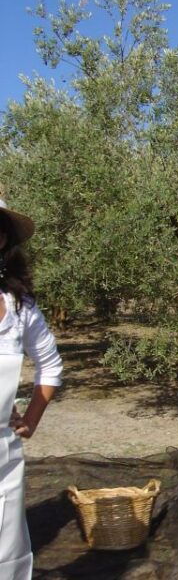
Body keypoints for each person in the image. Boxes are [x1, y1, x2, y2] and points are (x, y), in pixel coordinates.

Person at [0, 200, 63, 580]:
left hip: (3, 452)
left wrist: (31, 418)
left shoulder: (19, 307)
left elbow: (50, 364)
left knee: (8, 551)